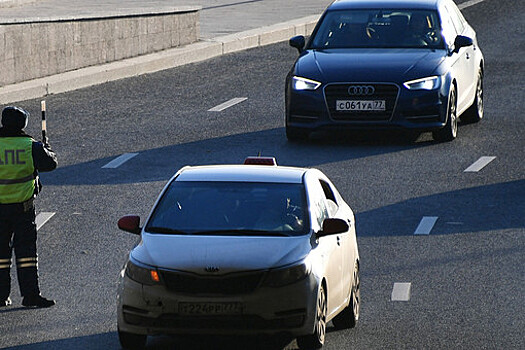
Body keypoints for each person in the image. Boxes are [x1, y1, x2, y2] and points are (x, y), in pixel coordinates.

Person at [0, 106, 57, 308]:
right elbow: (51, 164)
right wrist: (46, 148)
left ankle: (1, 295)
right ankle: (30, 295)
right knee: (26, 255)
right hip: (22, 210)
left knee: (0, 255)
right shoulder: (30, 146)